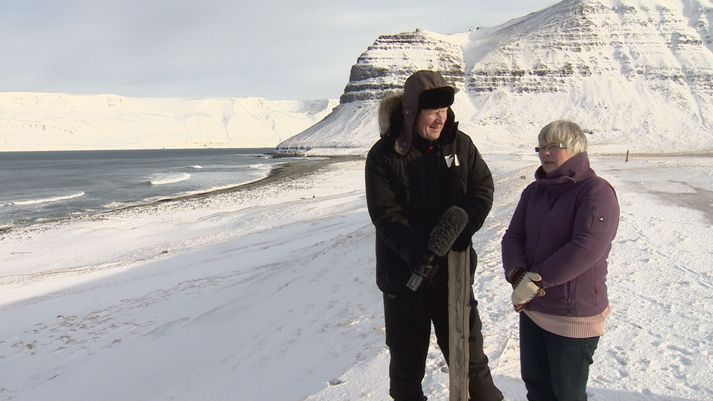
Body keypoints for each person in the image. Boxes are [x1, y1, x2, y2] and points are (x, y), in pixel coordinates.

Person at [365, 70, 503, 401]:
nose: (440, 118)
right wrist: (417, 253)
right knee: (406, 372)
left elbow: (482, 189)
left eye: (444, 109)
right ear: (412, 111)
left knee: (472, 365)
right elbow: (386, 215)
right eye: (432, 111)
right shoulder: (384, 155)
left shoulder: (461, 144)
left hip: (453, 276)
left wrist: (462, 228)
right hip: (404, 278)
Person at [501, 120, 620, 401]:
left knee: (567, 394)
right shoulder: (533, 192)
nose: (546, 153)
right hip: (533, 310)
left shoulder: (596, 192)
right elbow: (513, 236)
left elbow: (587, 247)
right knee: (537, 389)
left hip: (572, 315)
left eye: (554, 146)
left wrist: (534, 281)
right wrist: (518, 276)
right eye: (541, 147)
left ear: (577, 149)